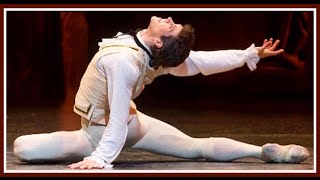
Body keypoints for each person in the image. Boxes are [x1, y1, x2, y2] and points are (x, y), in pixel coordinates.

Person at [13, 16, 310, 170]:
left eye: (172, 25)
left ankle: (266, 153)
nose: (169, 19)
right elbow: (200, 61)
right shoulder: (152, 56)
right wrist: (247, 55)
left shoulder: (124, 60)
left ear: (159, 42)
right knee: (196, 148)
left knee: (22, 148)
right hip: (136, 125)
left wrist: (101, 158)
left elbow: (116, 118)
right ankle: (262, 152)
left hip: (101, 133)